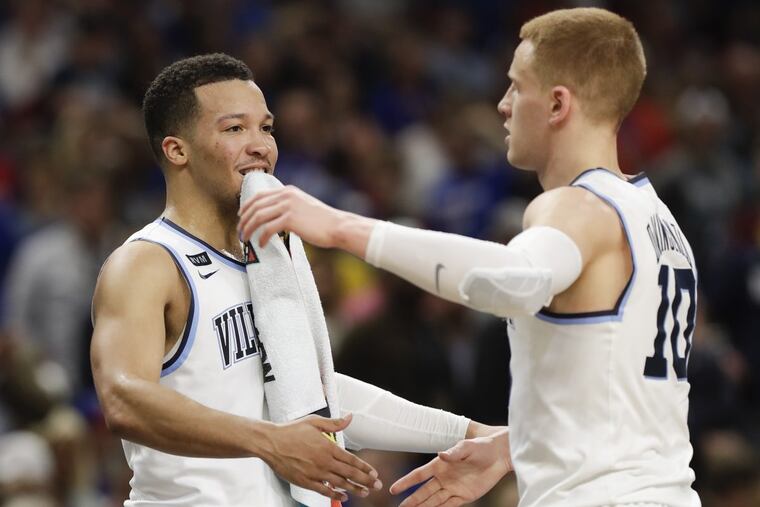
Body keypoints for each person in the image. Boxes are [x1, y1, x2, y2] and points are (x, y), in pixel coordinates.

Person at [239, 7, 701, 507]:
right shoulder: (658, 219)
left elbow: (512, 280)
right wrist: (514, 444)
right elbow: (615, 389)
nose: (503, 105)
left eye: (516, 87)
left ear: (557, 104)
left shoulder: (574, 206)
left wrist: (341, 227)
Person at [90, 53, 497, 506]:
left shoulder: (271, 251)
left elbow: (314, 391)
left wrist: (466, 433)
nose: (260, 145)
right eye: (234, 129)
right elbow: (124, 399)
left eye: (265, 127)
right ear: (177, 149)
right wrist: (269, 440)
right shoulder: (148, 262)